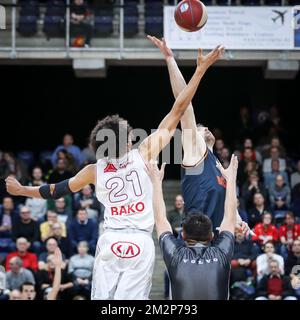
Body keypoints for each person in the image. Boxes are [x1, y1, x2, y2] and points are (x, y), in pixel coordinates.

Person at [6, 45, 224, 300]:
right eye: (129, 130)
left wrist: (22, 190)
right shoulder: (144, 153)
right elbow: (179, 109)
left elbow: (55, 190)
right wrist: (199, 72)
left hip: (110, 241)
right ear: (128, 141)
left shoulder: (93, 170)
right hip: (140, 243)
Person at [147, 36, 248, 234]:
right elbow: (184, 104)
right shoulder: (196, 152)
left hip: (216, 241)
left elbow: (226, 202)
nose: (205, 128)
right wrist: (170, 59)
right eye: (200, 128)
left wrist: (239, 221)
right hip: (194, 242)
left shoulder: (219, 167)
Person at [149, 154, 238, 300]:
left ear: (182, 235)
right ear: (212, 236)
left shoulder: (175, 255)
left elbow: (160, 219)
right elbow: (229, 216)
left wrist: (156, 182)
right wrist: (231, 179)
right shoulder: (221, 253)